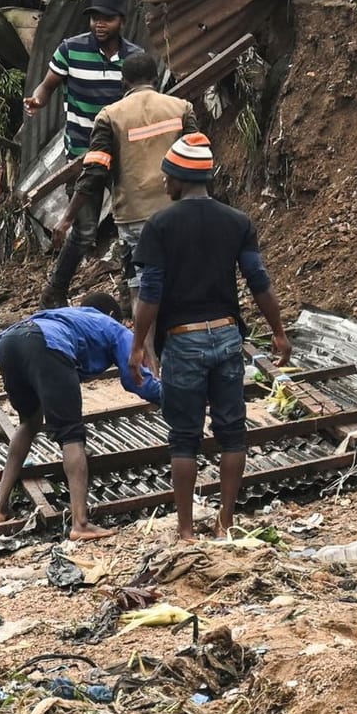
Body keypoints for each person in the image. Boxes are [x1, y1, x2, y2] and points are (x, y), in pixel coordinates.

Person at [130, 133, 290, 541]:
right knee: (231, 432)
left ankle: (185, 531)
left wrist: (138, 345)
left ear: (179, 179)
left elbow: (150, 293)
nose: (164, 184)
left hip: (183, 340)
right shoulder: (237, 221)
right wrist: (278, 331)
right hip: (226, 337)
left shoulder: (159, 225)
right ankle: (225, 523)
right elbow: (258, 281)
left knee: (184, 439)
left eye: (167, 176)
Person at [0, 292, 163, 542]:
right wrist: (175, 396)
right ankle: (80, 523)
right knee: (72, 434)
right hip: (46, 344)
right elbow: (137, 380)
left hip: (8, 342)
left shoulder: (69, 316)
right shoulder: (113, 326)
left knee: (29, 422)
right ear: (112, 314)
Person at [43, 51, 195, 308]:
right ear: (156, 79)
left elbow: (95, 172)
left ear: (123, 83)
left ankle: (144, 345)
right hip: (178, 211)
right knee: (183, 277)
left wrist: (68, 217)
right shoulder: (181, 108)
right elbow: (197, 157)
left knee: (141, 285)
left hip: (134, 214)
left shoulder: (109, 116)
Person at [23, 0, 144, 164]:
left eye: (108, 19)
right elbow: (46, 86)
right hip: (81, 155)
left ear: (122, 22)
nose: (100, 24)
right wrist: (37, 100)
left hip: (122, 153)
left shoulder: (135, 58)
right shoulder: (70, 50)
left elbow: (142, 103)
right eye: (95, 18)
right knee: (82, 192)